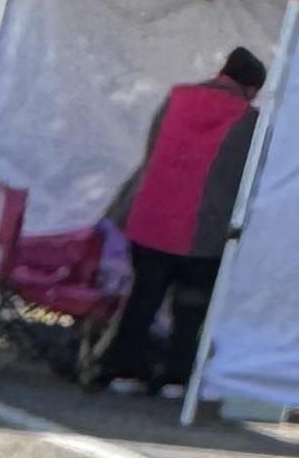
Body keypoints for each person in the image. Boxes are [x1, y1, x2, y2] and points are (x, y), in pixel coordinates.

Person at [99, 44, 268, 394]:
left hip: (152, 219)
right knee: (190, 309)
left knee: (142, 300)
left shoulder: (177, 97)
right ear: (252, 88)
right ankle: (175, 379)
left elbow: (153, 150)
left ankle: (123, 372)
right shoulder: (248, 119)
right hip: (203, 232)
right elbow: (246, 177)